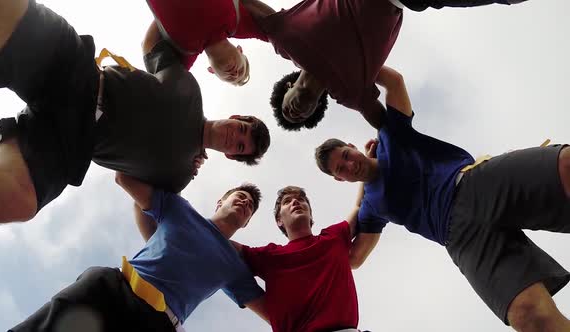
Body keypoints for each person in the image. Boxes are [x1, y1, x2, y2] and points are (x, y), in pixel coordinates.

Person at [314, 65, 570, 331]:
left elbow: (394, 81)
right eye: (340, 169)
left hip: (473, 183)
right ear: (339, 179)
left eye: (346, 155)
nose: (349, 165)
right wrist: (359, 198)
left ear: (353, 147)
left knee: (564, 165)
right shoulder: (371, 208)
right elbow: (353, 259)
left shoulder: (391, 135)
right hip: (461, 237)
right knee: (529, 316)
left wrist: (339, 66)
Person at [0, 0, 271, 227]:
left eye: (241, 146)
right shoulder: (189, 88)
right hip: (78, 73)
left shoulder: (179, 175)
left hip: (70, 142)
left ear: (232, 155)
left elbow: (131, 187)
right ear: (236, 117)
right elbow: (154, 42)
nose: (236, 137)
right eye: (242, 129)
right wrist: (211, 38)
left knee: (16, 200)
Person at [8, 175, 268, 331]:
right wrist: (180, 164)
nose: (246, 202)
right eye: (241, 196)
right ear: (220, 201)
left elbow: (276, 314)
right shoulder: (180, 209)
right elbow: (124, 177)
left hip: (158, 323)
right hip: (113, 288)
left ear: (246, 224)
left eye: (251, 207)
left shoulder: (236, 265)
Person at [240, 0, 526, 131]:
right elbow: (391, 130)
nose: (295, 112)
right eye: (300, 117)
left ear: (288, 86)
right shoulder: (350, 92)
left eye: (286, 108)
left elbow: (243, 5)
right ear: (316, 108)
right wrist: (384, 157)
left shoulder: (286, 39)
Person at [234, 184, 378, 332]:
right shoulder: (270, 257)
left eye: (301, 199)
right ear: (279, 220)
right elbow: (221, 246)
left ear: (310, 215)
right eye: (287, 201)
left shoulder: (333, 237)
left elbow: (360, 206)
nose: (295, 202)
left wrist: (369, 162)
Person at [146, 0, 269, 85]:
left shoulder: (183, 52)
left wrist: (159, 20)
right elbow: (279, 27)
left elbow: (162, 85)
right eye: (242, 70)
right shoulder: (237, 18)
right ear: (240, 50)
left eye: (230, 78)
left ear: (212, 71)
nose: (235, 74)